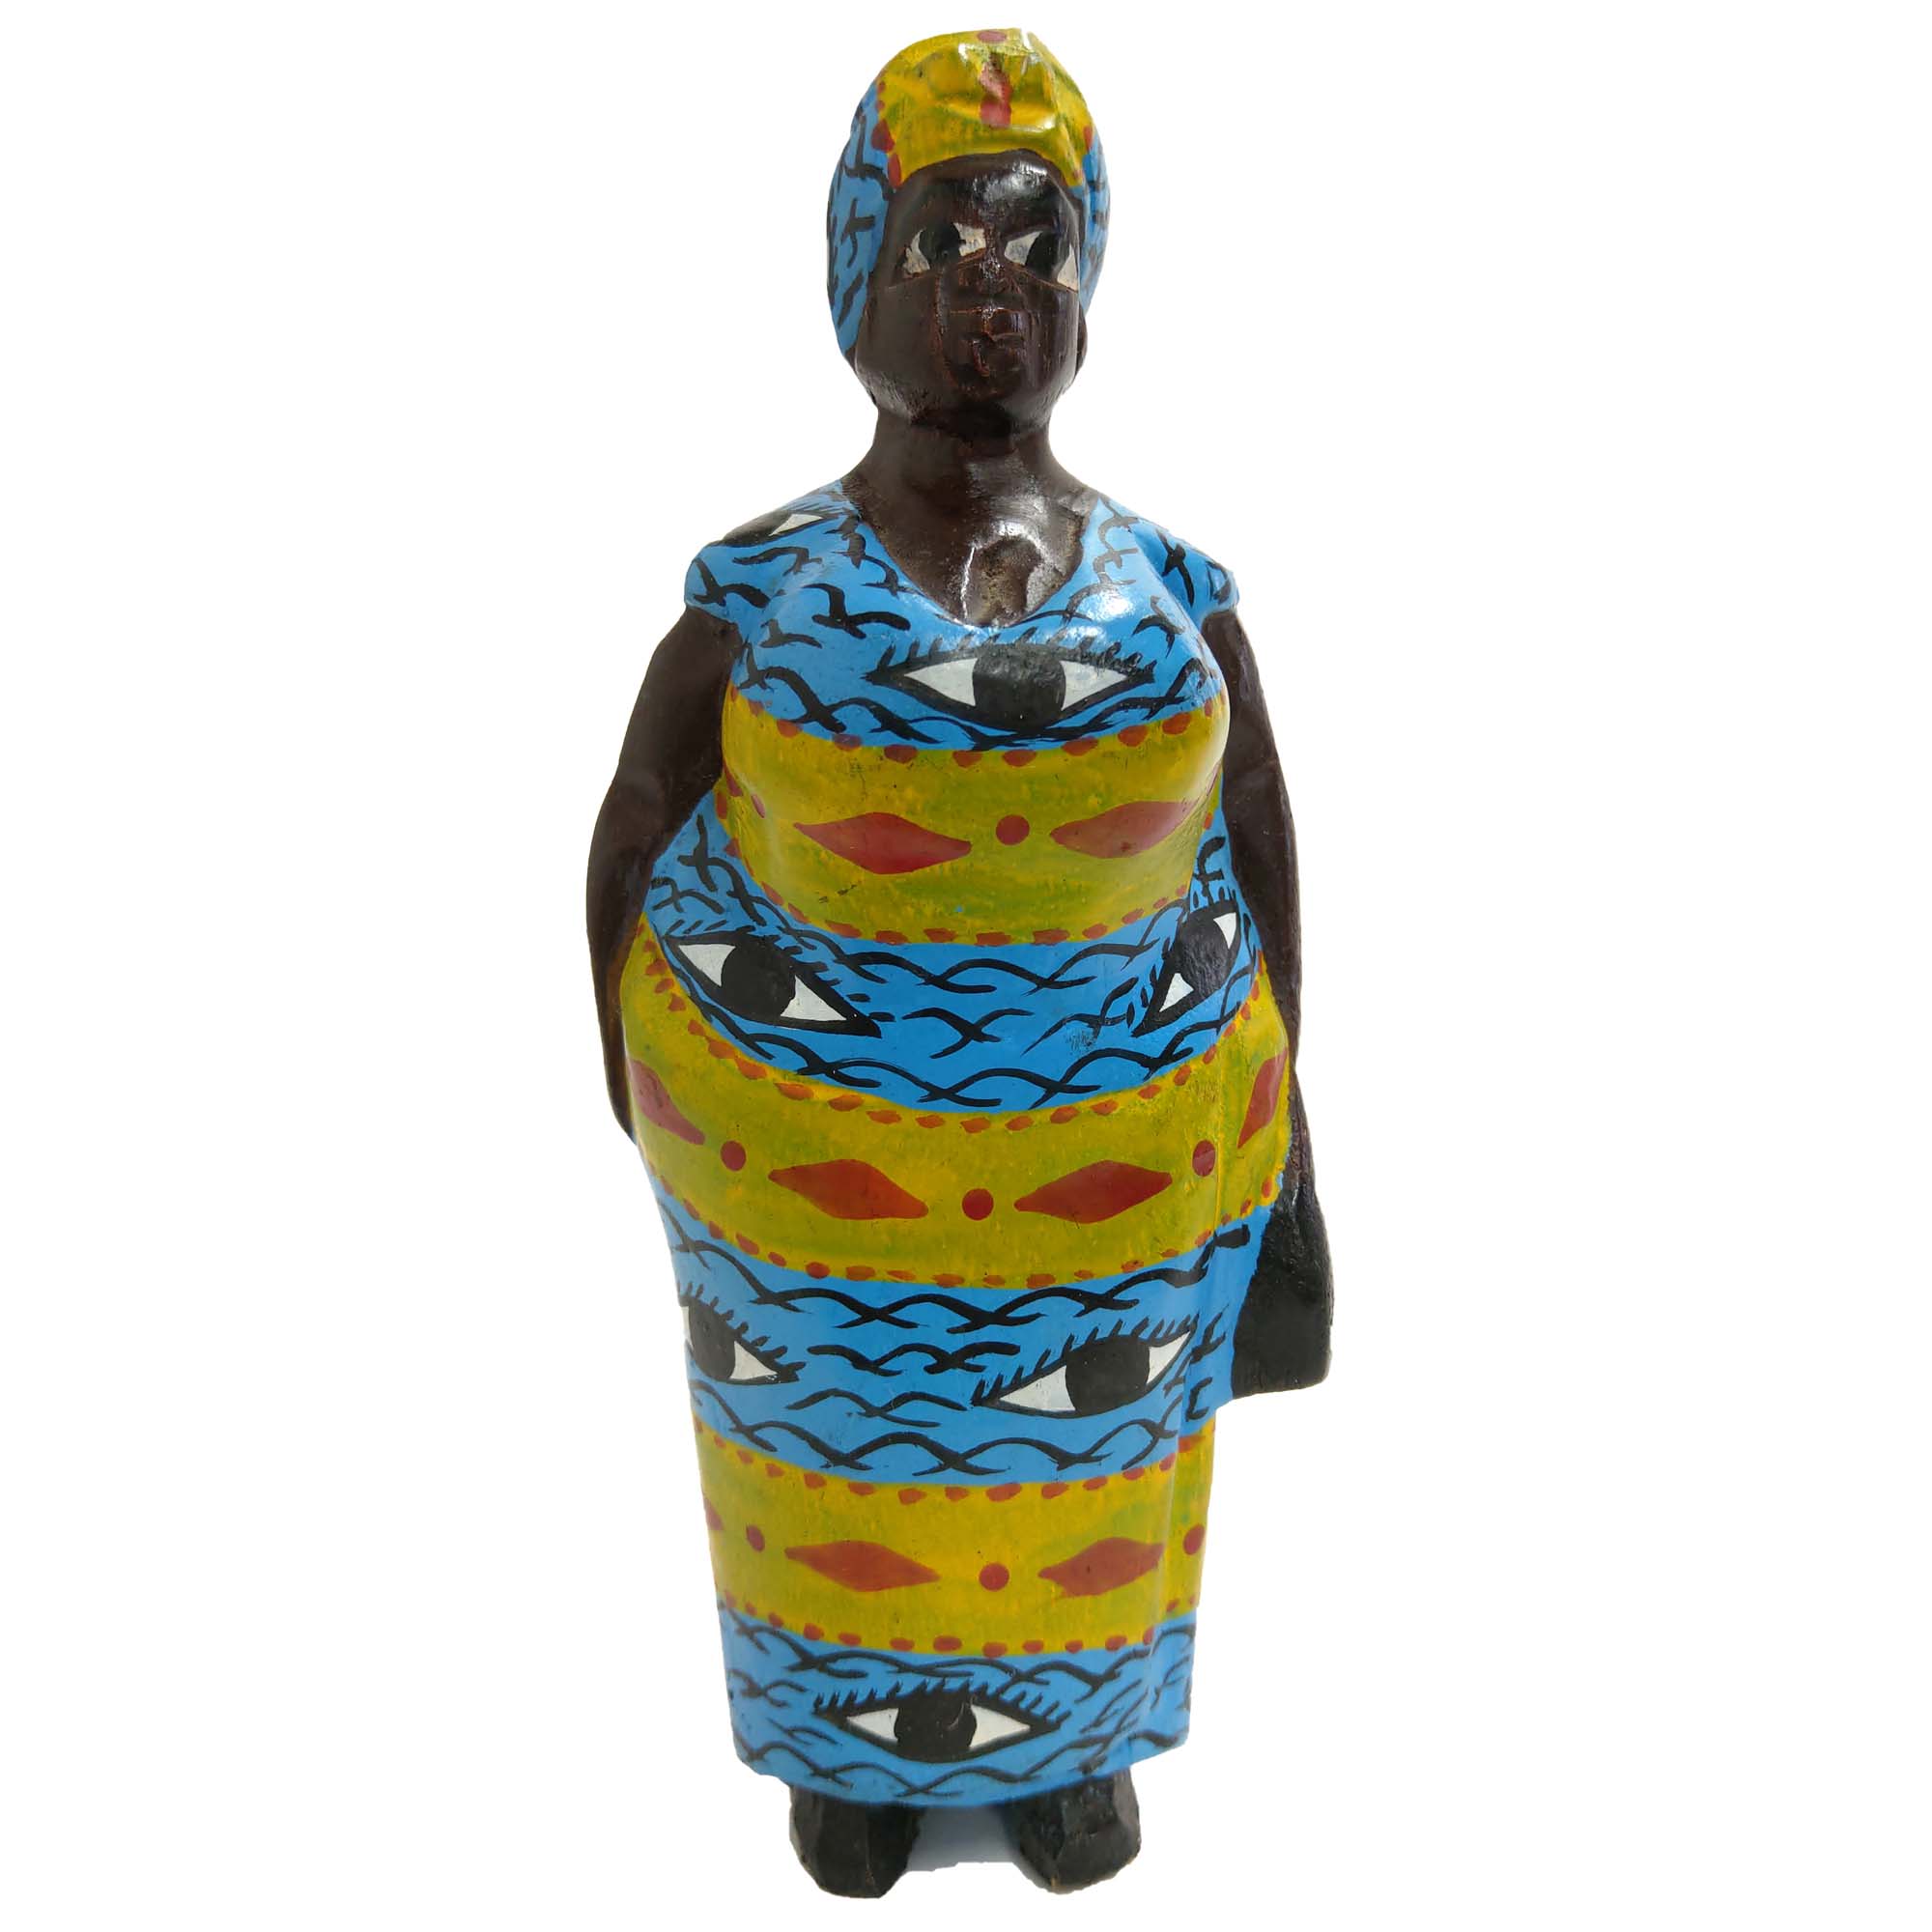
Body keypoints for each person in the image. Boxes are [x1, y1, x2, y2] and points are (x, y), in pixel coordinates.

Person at [587, 29, 1331, 1895]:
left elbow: (1258, 834)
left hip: (1119, 1188)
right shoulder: (761, 585)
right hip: (812, 1198)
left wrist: (1280, 1104)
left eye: (1038, 251)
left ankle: (1073, 1756)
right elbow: (637, 820)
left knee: (1096, 1460)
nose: (994, 293)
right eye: (943, 246)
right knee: (821, 1458)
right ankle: (846, 1763)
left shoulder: (1175, 589)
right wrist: (653, 1088)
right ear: (857, 274)